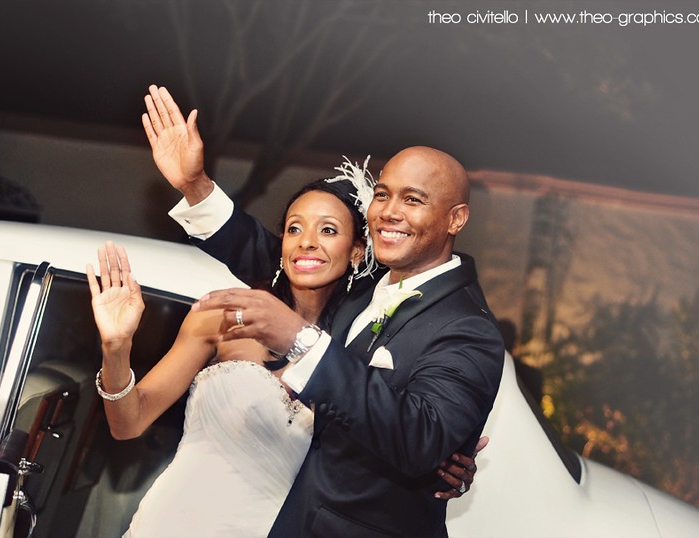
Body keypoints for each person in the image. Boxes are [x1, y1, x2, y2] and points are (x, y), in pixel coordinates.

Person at [144, 85, 504, 537]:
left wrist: (301, 339)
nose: (389, 213)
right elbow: (272, 254)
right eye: (384, 195)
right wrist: (194, 186)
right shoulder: (362, 289)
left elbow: (420, 440)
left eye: (412, 200)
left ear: (456, 219)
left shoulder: (469, 328)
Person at [87, 161, 481, 537]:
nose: (306, 242)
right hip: (179, 523)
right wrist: (116, 348)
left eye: (328, 231)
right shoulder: (223, 318)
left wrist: (442, 459)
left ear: (358, 250)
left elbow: (399, 426)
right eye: (294, 229)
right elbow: (128, 423)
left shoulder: (351, 358)